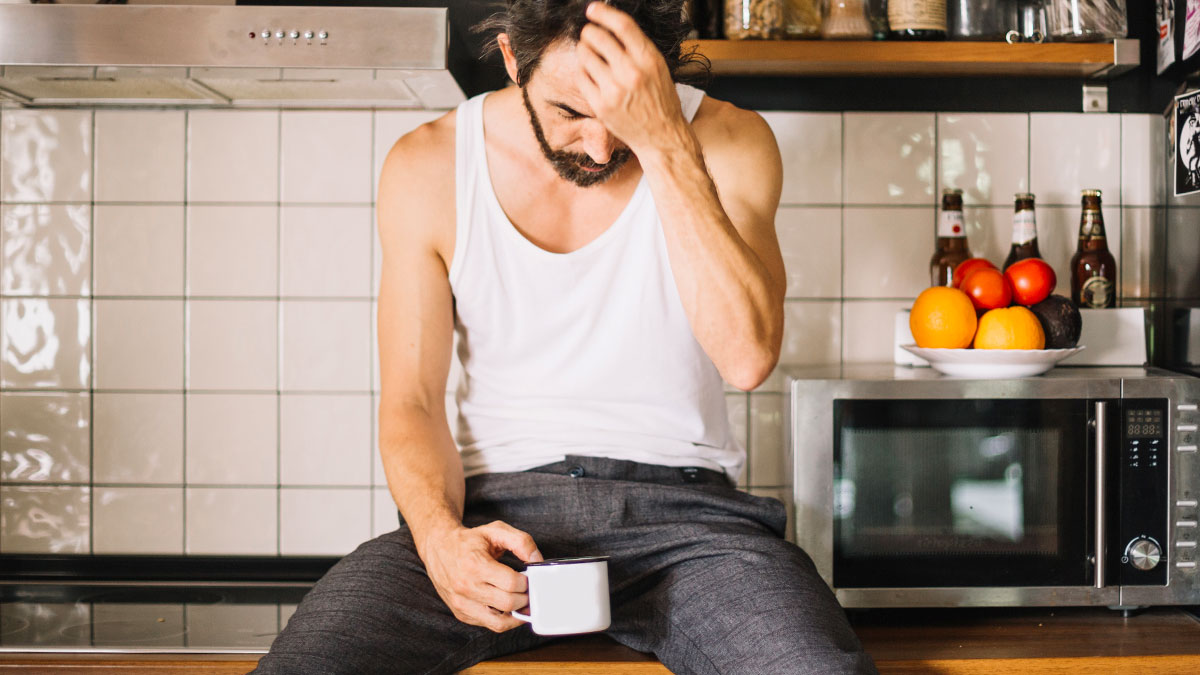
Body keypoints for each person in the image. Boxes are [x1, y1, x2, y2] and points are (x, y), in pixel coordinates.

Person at [251, 1, 877, 673]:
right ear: (513, 60)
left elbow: (748, 355)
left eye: (622, 114)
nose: (601, 147)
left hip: (694, 526)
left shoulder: (730, 139)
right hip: (495, 518)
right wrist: (438, 538)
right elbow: (413, 403)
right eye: (569, 112)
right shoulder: (427, 165)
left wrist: (665, 137)